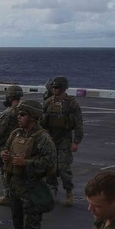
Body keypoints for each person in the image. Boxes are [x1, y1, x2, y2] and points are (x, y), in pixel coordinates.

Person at [0, 98, 57, 229]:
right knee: (17, 220)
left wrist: (27, 163)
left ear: (32, 117)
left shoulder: (43, 138)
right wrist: (5, 155)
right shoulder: (16, 133)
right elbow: (7, 148)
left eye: (23, 114)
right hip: (15, 185)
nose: (19, 117)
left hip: (32, 187)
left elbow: (50, 162)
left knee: (31, 224)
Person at [39, 76, 84, 207]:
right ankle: (52, 190)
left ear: (64, 88)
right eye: (53, 87)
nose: (55, 89)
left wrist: (76, 141)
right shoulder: (48, 102)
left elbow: (79, 124)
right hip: (50, 138)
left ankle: (69, 191)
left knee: (64, 167)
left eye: (57, 87)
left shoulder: (71, 103)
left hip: (64, 139)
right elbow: (41, 121)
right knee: (50, 167)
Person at [0, 85, 24, 206]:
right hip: (21, 145)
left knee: (4, 170)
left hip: (7, 145)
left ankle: (8, 195)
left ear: (10, 97)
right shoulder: (25, 110)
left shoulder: (8, 112)